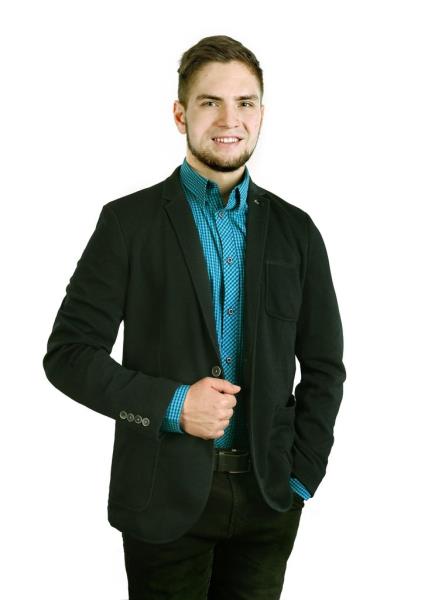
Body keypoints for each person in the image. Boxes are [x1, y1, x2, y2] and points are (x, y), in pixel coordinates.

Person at [43, 34, 346, 600]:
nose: (230, 119)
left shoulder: (298, 232)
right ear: (181, 114)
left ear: (261, 113)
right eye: (211, 102)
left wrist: (302, 477)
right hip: (161, 497)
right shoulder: (127, 224)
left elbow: (325, 367)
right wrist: (174, 405)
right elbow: (68, 356)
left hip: (269, 500)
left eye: (245, 103)